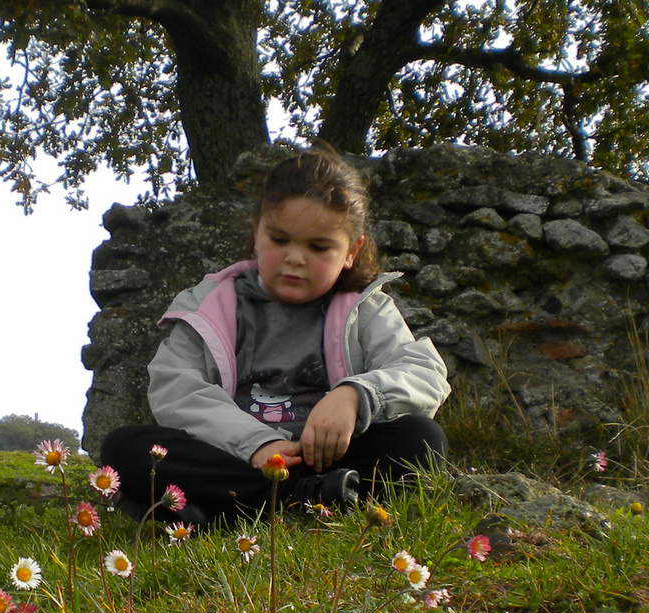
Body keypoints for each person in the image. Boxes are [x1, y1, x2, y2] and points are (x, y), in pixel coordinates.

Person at [99, 145, 451, 524]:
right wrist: (258, 444)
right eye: (280, 239)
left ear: (351, 251)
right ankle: (302, 500)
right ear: (257, 232)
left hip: (330, 459)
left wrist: (355, 396)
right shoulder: (211, 303)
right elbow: (175, 388)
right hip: (236, 457)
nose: (295, 258)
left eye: (318, 247)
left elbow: (424, 372)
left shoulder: (366, 308)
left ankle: (235, 510)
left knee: (421, 440)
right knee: (124, 448)